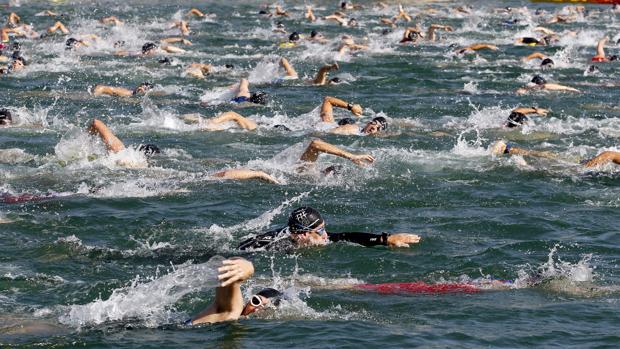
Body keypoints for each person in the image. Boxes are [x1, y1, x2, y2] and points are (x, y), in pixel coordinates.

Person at [238, 206, 421, 250]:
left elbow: (346, 236)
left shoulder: (307, 236)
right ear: (302, 234)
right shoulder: (271, 245)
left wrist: (385, 239)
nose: (325, 235)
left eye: (324, 228)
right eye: (319, 232)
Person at [187, 257, 284, 324]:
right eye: (256, 301)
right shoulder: (232, 312)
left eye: (265, 308)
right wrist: (248, 267)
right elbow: (229, 270)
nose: (256, 309)